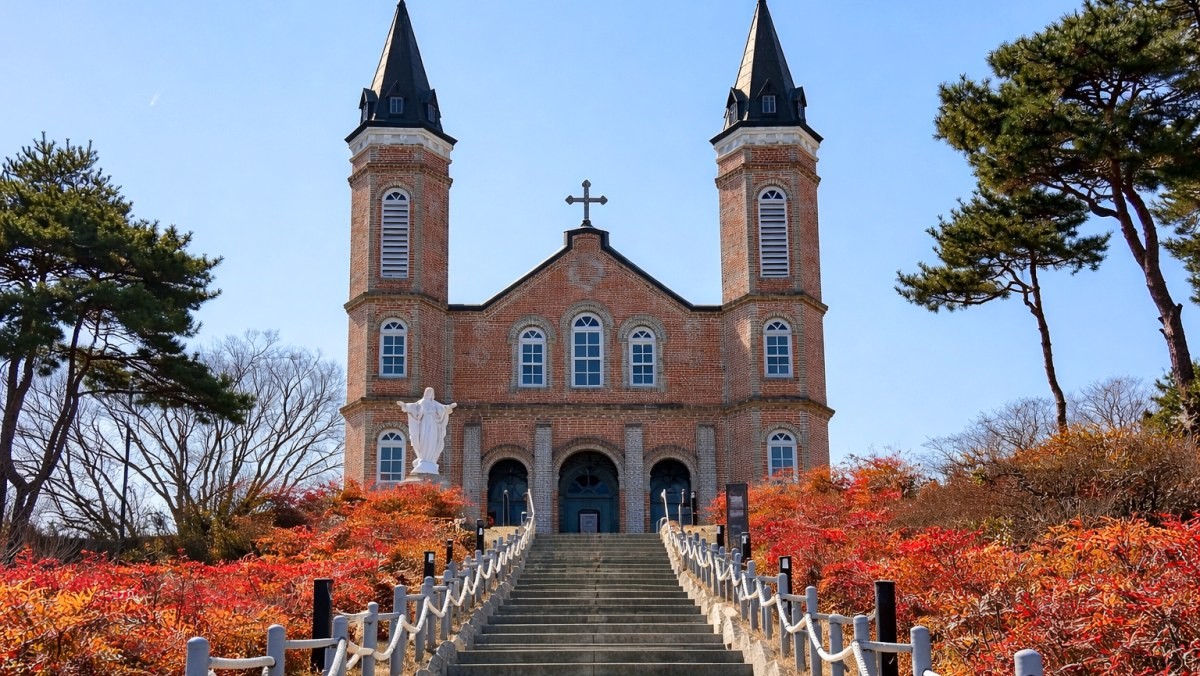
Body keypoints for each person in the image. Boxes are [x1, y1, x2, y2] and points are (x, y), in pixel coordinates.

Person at [398, 387, 457, 474]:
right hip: (424, 424)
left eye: (430, 393)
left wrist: (449, 407)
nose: (429, 394)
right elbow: (414, 407)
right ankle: (423, 458)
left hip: (433, 424)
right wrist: (405, 406)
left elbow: (442, 408)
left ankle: (430, 460)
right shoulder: (422, 402)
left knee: (432, 440)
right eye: (427, 392)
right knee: (424, 440)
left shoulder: (434, 403)